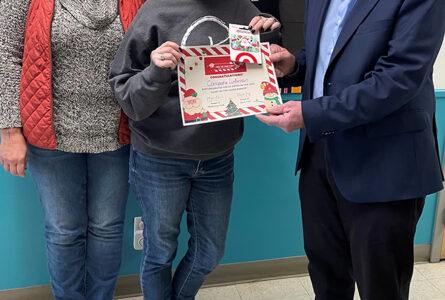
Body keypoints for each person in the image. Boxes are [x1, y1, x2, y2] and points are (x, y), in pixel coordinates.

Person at [256, 0, 445, 299]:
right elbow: (327, 59)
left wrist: (313, 114)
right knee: (326, 277)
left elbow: (400, 76)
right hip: (318, 154)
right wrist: (295, 64)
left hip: (384, 163)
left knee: (381, 287)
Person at [108, 1, 280, 299]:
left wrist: (268, 35)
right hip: (158, 157)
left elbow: (259, 74)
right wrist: (155, 71)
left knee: (210, 252)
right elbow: (126, 95)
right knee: (159, 252)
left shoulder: (242, 8)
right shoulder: (156, 11)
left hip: (218, 156)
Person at [0, 0, 145, 299]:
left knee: (106, 228)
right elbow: (6, 55)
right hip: (50, 133)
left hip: (117, 132)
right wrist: (10, 131)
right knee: (64, 232)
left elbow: (150, 48)